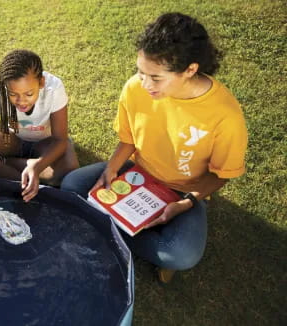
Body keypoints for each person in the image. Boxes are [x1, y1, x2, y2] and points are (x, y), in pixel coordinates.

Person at [61, 13, 248, 283]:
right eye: (141, 72)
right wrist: (111, 169)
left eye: (156, 78)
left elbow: (221, 174)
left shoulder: (225, 115)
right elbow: (129, 139)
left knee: (180, 255)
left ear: (190, 70)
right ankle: (127, 229)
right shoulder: (135, 88)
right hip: (137, 173)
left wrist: (185, 204)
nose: (145, 84)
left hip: (183, 190)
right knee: (71, 186)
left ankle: (107, 227)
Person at [0, 49, 79, 215]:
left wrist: (37, 166)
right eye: (13, 94)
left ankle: (6, 167)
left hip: (45, 143)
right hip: (12, 139)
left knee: (69, 169)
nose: (21, 101)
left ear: (41, 82)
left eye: (29, 94)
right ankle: (24, 177)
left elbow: (60, 140)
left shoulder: (54, 88)